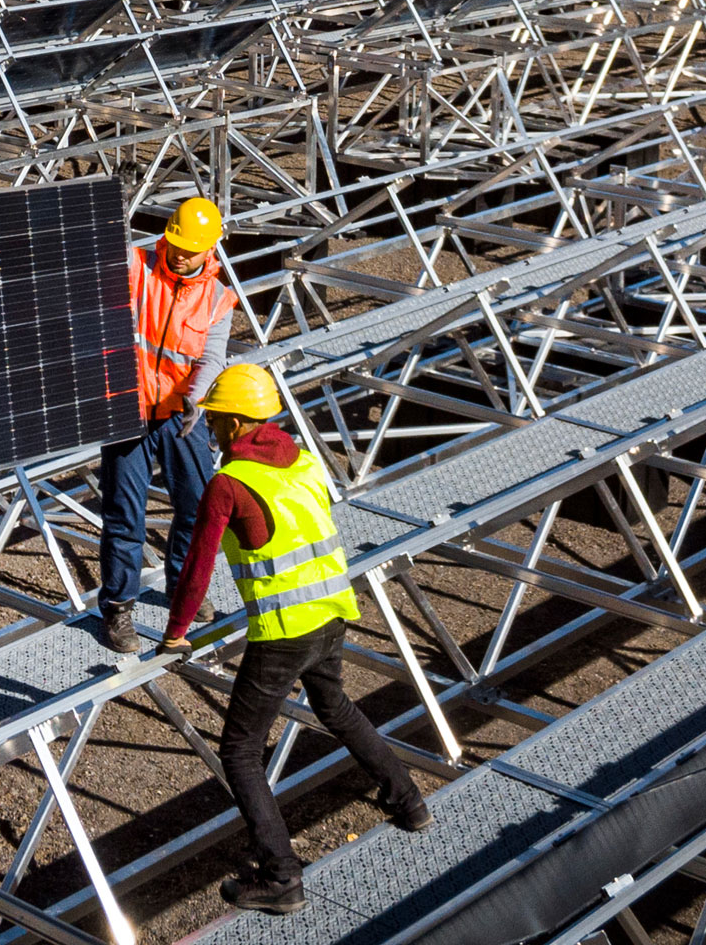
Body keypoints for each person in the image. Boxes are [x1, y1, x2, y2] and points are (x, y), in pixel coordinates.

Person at [159, 363, 428, 915]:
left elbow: (196, 568)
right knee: (337, 708)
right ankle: (409, 801)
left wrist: (175, 633)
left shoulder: (230, 484)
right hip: (332, 614)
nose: (209, 431)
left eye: (215, 421)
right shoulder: (303, 459)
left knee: (239, 751)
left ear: (236, 422)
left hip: (284, 632)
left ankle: (281, 877)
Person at [97, 195, 235, 653]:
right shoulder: (137, 266)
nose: (178, 253)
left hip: (181, 413)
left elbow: (212, 356)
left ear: (210, 248)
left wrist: (196, 400)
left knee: (198, 507)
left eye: (189, 248)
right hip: (128, 409)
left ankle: (184, 588)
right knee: (124, 514)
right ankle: (118, 607)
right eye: (174, 243)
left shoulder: (217, 298)